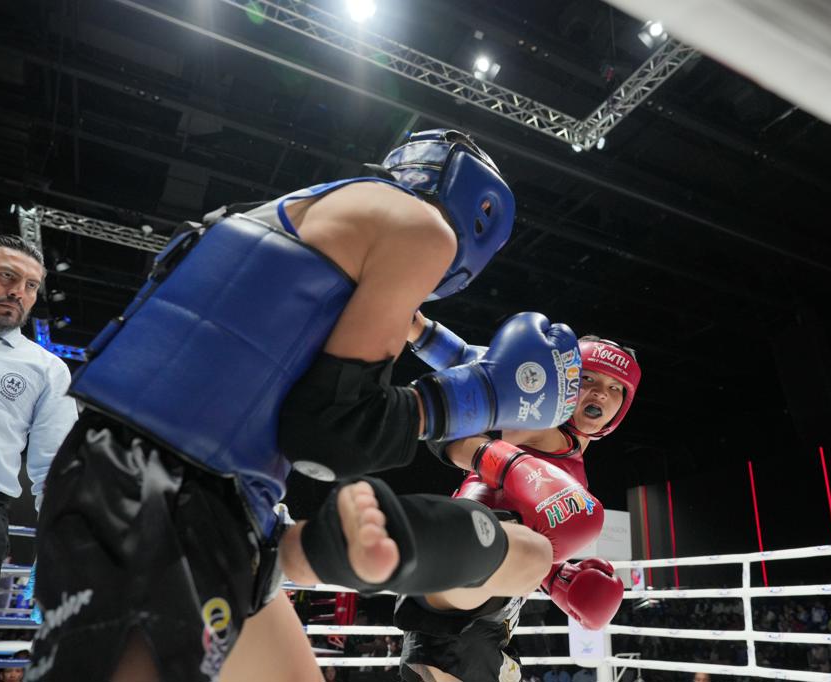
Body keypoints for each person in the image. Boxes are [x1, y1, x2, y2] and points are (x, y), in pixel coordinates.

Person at [29, 130, 584, 682]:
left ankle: (310, 551)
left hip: (180, 484)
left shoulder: (303, 212)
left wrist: (479, 385)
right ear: (482, 214)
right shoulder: (424, 229)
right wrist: (484, 396)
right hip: (163, 488)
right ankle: (319, 552)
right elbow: (329, 435)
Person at [395, 315, 642, 682]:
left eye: (615, 387)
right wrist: (413, 324)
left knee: (539, 553)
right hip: (463, 574)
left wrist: (560, 580)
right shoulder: (538, 420)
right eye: (588, 379)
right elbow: (470, 370)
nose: (601, 393)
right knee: (535, 552)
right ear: (567, 384)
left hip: (492, 617)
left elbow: (538, 528)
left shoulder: (573, 466)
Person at [0, 235, 78, 646]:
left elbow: (55, 465)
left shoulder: (45, 368)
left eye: (31, 285)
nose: (19, 291)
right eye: (6, 276)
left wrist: (56, 547)